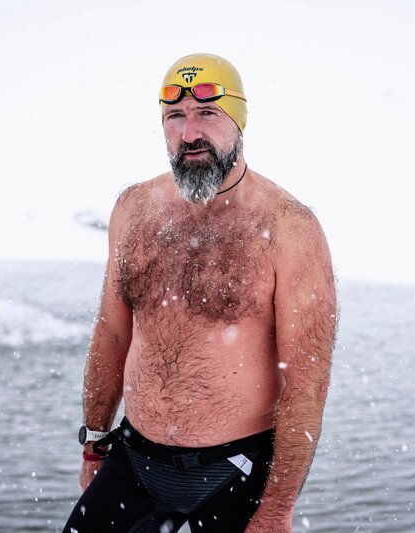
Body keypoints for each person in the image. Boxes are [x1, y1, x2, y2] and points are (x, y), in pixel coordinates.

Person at [63, 53, 337, 533]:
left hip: (234, 474)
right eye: (175, 117)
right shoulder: (133, 210)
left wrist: (276, 509)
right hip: (132, 461)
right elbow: (110, 336)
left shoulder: (290, 228)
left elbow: (306, 384)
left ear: (239, 120)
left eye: (207, 114)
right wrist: (95, 442)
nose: (190, 134)